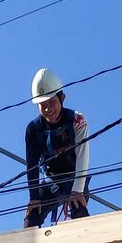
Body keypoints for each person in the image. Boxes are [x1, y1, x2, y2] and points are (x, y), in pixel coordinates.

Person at [24, 67, 90, 228]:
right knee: (32, 215)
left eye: (52, 102)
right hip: (51, 181)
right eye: (42, 105)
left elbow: (82, 156)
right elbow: (32, 165)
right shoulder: (33, 129)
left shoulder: (77, 120)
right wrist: (34, 197)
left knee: (78, 208)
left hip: (75, 176)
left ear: (62, 98)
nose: (48, 109)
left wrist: (77, 191)